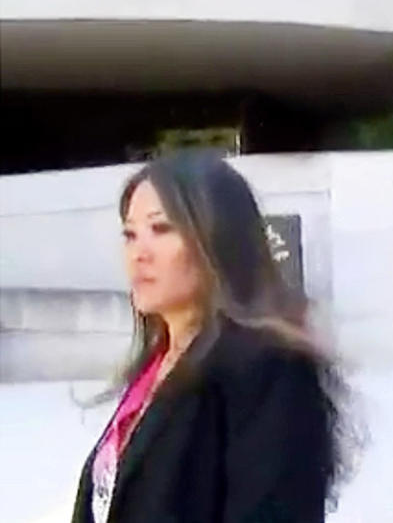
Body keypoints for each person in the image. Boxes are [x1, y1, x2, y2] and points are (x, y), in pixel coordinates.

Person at [72, 151, 354, 523]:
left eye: (161, 229)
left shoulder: (270, 367)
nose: (139, 253)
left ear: (217, 239)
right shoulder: (159, 364)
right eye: (129, 234)